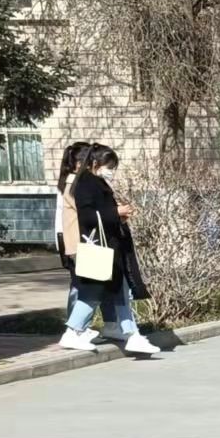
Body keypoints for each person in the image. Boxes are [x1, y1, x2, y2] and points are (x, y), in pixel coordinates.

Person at [62, 145, 160, 356]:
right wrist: (116, 212)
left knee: (120, 290)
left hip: (110, 246)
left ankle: (131, 334)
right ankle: (74, 331)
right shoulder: (85, 183)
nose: (112, 171)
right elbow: (88, 216)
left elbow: (101, 213)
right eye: (109, 166)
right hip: (100, 247)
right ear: (95, 163)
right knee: (93, 292)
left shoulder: (95, 182)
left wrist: (118, 216)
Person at [52, 141, 99, 350]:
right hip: (78, 242)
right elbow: (88, 211)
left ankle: (79, 328)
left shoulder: (70, 181)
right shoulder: (75, 183)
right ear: (80, 163)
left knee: (82, 286)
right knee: (88, 287)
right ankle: (75, 329)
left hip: (72, 240)